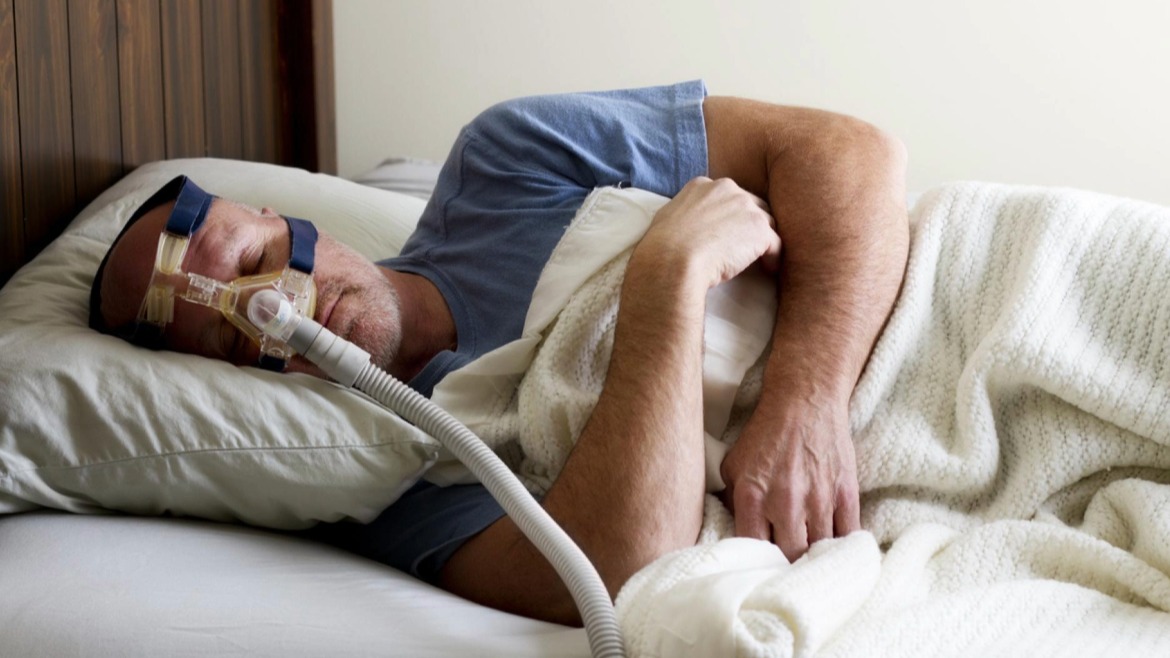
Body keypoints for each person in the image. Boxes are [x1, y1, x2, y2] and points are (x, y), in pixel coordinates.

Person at [88, 81, 909, 625]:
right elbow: (619, 573)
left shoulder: (509, 162)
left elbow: (848, 153)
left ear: (277, 214)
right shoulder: (388, 480)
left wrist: (808, 398)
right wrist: (668, 274)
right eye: (232, 334)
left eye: (252, 261)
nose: (278, 309)